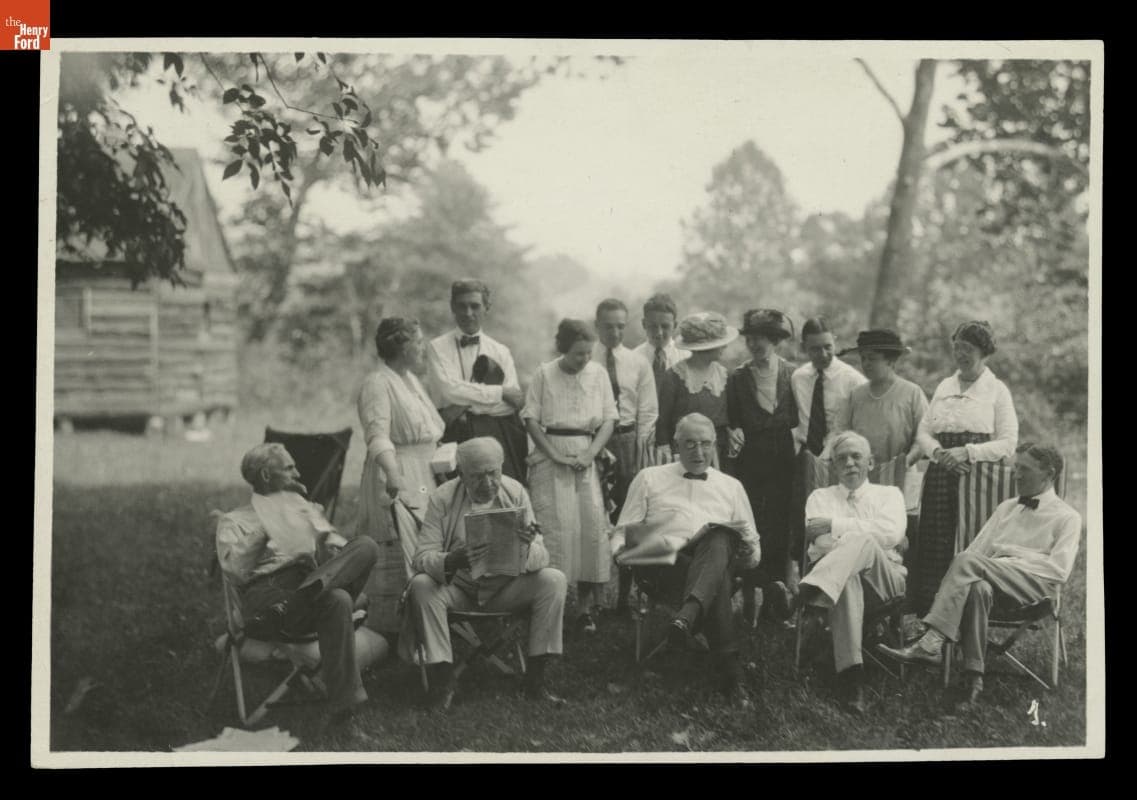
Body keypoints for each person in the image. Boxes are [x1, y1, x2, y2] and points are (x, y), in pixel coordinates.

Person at [879, 443, 1079, 710]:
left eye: (1025, 470)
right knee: (977, 588)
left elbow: (1059, 570)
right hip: (992, 582)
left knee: (972, 566)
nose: (1016, 475)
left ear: (1049, 474)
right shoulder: (1007, 508)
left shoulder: (1068, 517)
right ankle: (974, 681)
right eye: (1015, 468)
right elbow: (973, 553)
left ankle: (933, 640)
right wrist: (988, 567)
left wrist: (1011, 557)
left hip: (1035, 588)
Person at [400, 437, 568, 711]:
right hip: (461, 590)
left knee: (554, 580)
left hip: (505, 589)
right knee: (421, 585)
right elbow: (422, 558)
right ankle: (443, 682)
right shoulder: (443, 497)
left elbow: (542, 556)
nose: (488, 483)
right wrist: (452, 560)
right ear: (461, 474)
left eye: (493, 473)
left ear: (502, 467)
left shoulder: (515, 492)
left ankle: (535, 681)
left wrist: (524, 548)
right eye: (477, 477)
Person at [216, 443, 380, 720]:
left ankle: (301, 599)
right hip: (267, 596)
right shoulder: (234, 521)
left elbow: (330, 559)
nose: (298, 473)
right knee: (338, 600)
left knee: (366, 546)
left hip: (303, 590)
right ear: (266, 476)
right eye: (289, 467)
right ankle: (345, 705)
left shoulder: (301, 510)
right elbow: (234, 571)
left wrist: (321, 537)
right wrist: (267, 527)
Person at [612, 413, 762, 706]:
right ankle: (731, 675)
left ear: (715, 446)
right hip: (662, 565)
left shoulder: (731, 487)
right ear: (676, 445)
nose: (698, 451)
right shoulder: (649, 478)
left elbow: (754, 548)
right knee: (716, 571)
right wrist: (621, 552)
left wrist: (747, 553)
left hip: (713, 564)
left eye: (706, 444)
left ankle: (687, 617)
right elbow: (622, 532)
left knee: (719, 539)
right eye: (690, 443)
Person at [772, 431, 907, 714]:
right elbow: (819, 541)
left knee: (864, 542)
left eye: (857, 456)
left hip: (885, 581)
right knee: (848, 578)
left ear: (871, 463)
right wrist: (863, 529)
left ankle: (801, 595)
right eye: (841, 458)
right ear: (833, 466)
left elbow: (892, 533)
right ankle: (852, 681)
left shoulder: (890, 495)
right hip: (839, 584)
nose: (849, 463)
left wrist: (835, 525)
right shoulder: (819, 497)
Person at [907, 320, 1019, 616]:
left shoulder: (997, 390)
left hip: (977, 480)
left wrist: (968, 452)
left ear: (984, 352)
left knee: (968, 544)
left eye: (967, 349)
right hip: (941, 475)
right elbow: (923, 432)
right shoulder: (945, 386)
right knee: (934, 543)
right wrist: (939, 453)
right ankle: (932, 621)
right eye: (957, 347)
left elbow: (1008, 443)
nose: (960, 354)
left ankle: (967, 617)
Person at [522, 319, 618, 633]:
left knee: (589, 529)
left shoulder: (599, 374)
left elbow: (608, 420)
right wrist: (554, 455)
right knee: (555, 529)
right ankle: (551, 604)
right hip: (552, 456)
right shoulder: (544, 373)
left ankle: (586, 607)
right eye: (578, 354)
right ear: (563, 349)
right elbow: (531, 420)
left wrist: (590, 454)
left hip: (586, 455)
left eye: (589, 353)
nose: (585, 360)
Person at [356, 318, 445, 631]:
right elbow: (377, 434)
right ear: (400, 346)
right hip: (399, 470)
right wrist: (393, 473)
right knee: (403, 545)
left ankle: (429, 619)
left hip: (424, 472)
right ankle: (399, 628)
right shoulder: (378, 383)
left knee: (428, 542)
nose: (422, 348)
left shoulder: (409, 380)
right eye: (417, 342)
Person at [725, 309, 799, 626]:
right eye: (751, 338)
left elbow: (800, 417)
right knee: (753, 524)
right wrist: (734, 431)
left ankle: (777, 601)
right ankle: (751, 600)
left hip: (783, 457)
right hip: (751, 460)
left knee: (780, 525)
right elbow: (730, 419)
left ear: (775, 341)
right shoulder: (738, 377)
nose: (756, 344)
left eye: (762, 339)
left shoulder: (793, 374)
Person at [425, 279, 528, 483]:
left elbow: (512, 404)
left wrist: (462, 405)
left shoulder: (500, 351)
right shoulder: (437, 347)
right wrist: (499, 393)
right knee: (456, 500)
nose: (468, 313)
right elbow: (449, 390)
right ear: (452, 307)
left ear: (486, 308)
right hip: (453, 433)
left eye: (475, 306)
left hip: (495, 434)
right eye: (462, 306)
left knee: (498, 497)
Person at [835, 329, 929, 471]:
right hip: (861, 476)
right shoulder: (855, 396)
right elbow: (841, 433)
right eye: (863, 358)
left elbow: (924, 436)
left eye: (872, 358)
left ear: (890, 361)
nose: (866, 364)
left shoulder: (912, 393)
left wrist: (906, 462)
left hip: (900, 474)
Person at [656, 311, 739, 469]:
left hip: (718, 452)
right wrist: (666, 453)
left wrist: (735, 429)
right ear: (707, 347)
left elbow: (732, 415)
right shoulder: (674, 376)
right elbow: (663, 422)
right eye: (721, 344)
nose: (725, 347)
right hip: (685, 454)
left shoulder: (724, 375)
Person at [631, 292, 690, 420]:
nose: (659, 333)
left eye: (665, 326)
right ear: (644, 324)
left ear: (675, 325)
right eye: (653, 326)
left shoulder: (687, 357)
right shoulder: (632, 359)